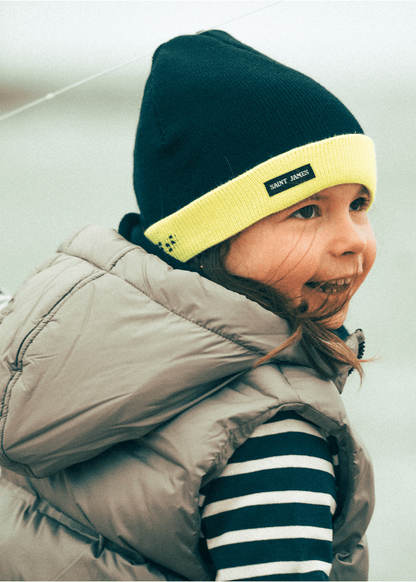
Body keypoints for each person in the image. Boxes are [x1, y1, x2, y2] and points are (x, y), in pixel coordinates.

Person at [0, 30, 376, 581]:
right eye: (306, 211)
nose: (353, 240)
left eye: (359, 204)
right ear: (207, 237)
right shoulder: (271, 437)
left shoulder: (42, 362)